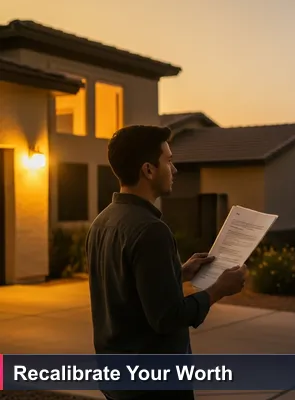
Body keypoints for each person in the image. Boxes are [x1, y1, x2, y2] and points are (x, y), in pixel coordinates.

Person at [86, 125, 246, 400]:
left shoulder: (101, 223)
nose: (174, 169)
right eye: (168, 161)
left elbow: (125, 287)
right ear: (148, 170)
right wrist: (219, 289)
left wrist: (178, 273)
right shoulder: (151, 230)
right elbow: (168, 317)